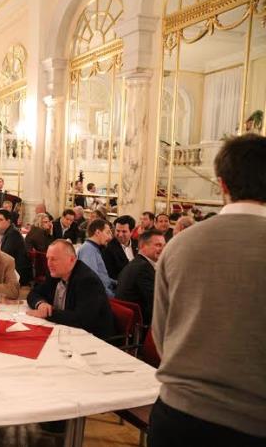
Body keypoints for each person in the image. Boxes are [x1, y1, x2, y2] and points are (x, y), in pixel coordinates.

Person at [149, 134, 266, 446]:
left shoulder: (179, 245)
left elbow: (162, 334)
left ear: (222, 184)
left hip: (177, 415)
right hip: (253, 423)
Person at [27, 240, 114, 339]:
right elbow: (33, 293)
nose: (49, 263)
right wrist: (41, 304)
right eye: (48, 258)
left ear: (72, 259)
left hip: (94, 340)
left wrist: (47, 314)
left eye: (54, 259)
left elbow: (81, 320)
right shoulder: (55, 273)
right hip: (66, 332)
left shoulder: (87, 280)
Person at [116, 229, 165, 326]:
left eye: (164, 246)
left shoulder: (137, 263)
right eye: (158, 245)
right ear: (143, 246)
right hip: (139, 326)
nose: (163, 249)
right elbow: (156, 302)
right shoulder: (143, 268)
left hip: (130, 322)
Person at [77, 219, 116, 298]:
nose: (110, 237)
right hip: (103, 296)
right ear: (97, 232)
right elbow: (92, 281)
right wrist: (113, 296)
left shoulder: (93, 248)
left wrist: (117, 283)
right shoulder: (88, 249)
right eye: (108, 232)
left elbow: (102, 276)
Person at [0, 209, 31, 286]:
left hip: (18, 273)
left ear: (8, 221)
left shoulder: (13, 234)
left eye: (0, 220)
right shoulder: (6, 232)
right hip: (10, 268)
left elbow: (5, 255)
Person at [104, 215, 137, 280]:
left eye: (124, 231)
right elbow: (111, 275)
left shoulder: (138, 244)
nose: (120, 235)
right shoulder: (109, 249)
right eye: (118, 231)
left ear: (132, 231)